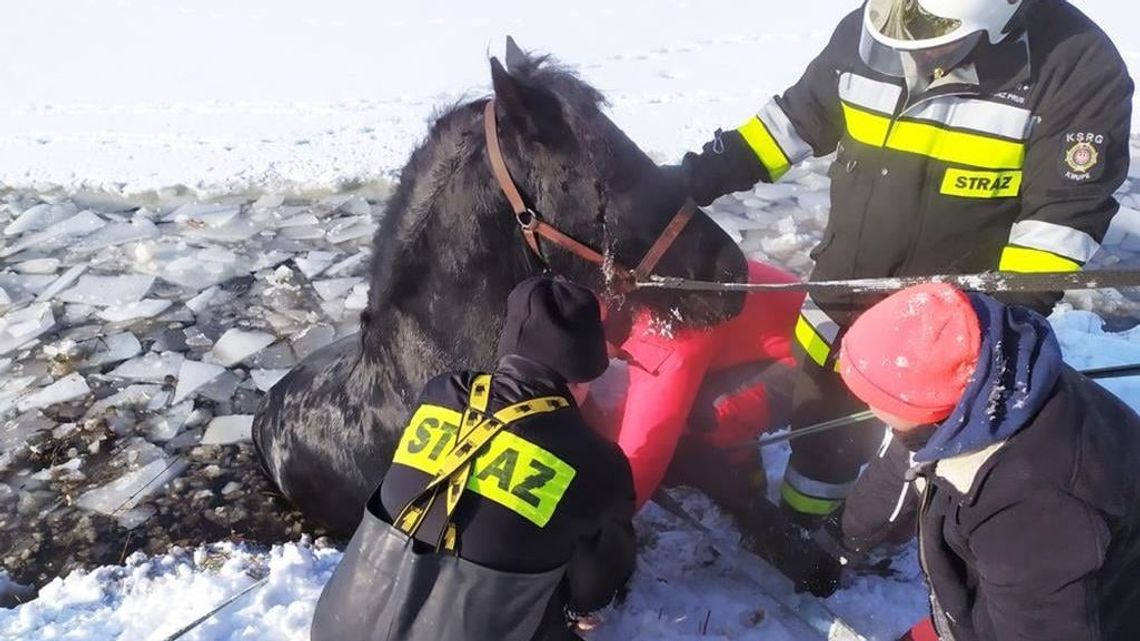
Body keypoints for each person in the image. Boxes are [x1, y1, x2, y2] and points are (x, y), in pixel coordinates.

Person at [672, 0, 1134, 532]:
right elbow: (792, 124)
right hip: (845, 283)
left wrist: (997, 327)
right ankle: (807, 528)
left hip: (948, 324)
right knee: (821, 422)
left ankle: (875, 540)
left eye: (935, 39)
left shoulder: (1075, 65)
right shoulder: (877, 25)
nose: (909, 50)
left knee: (916, 460)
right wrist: (692, 179)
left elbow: (1063, 219)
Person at [310, 277, 636, 641]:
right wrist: (582, 603)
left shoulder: (441, 392)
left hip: (337, 626)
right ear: (584, 372)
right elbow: (599, 578)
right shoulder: (596, 461)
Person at [836, 283, 1140, 641]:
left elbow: (1041, 630)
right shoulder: (984, 381)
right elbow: (896, 470)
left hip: (1096, 612)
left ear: (925, 408)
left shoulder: (1030, 510)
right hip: (1002, 596)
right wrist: (844, 538)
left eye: (874, 398)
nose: (868, 408)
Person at [585, 259, 846, 596]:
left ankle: (757, 508)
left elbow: (644, 457)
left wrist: (593, 531)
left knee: (690, 431)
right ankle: (736, 470)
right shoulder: (628, 282)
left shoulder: (667, 333)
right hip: (754, 344)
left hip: (811, 367)